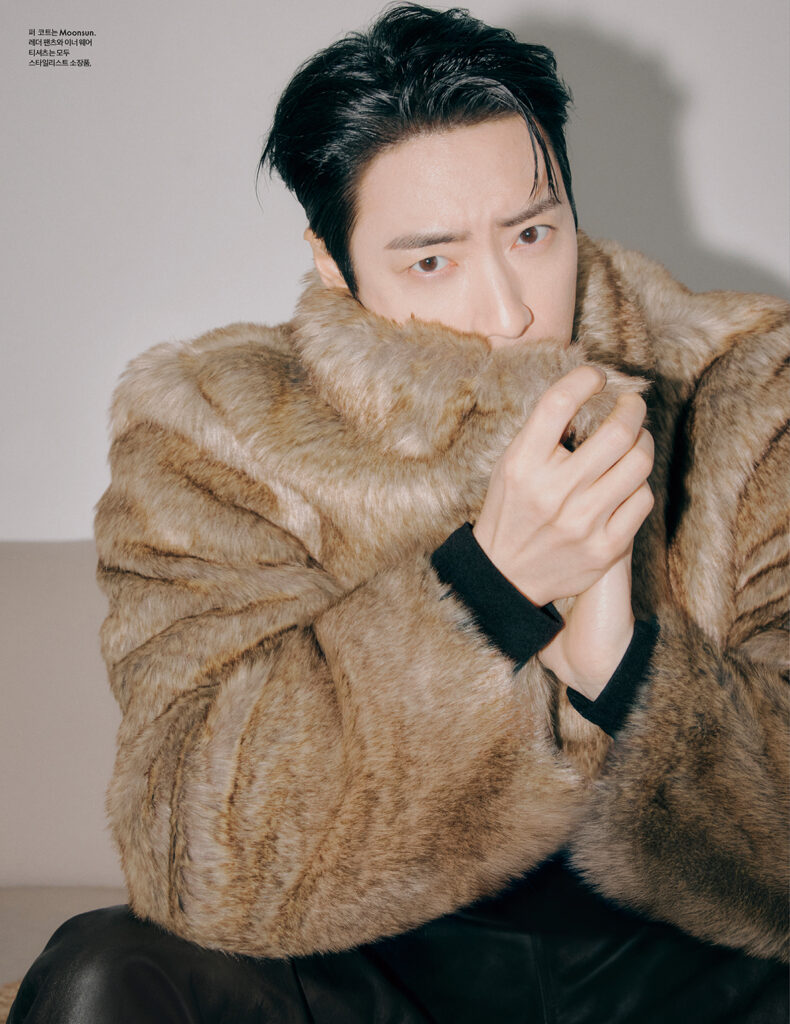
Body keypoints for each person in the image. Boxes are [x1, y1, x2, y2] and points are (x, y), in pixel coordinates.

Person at [8, 4, 788, 1021]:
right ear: (334, 264)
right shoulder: (218, 429)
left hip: (691, 959)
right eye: (432, 261)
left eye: (533, 233)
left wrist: (624, 671)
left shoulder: (745, 389)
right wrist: (488, 594)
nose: (508, 309)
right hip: (371, 968)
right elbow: (193, 844)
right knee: (106, 971)